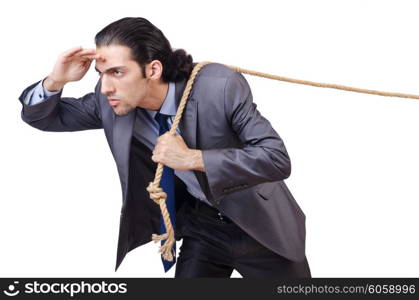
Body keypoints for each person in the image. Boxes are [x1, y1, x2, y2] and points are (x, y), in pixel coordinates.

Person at [18, 17, 311, 278]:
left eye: (117, 72)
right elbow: (47, 118)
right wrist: (55, 81)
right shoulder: (112, 101)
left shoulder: (218, 87)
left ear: (153, 69)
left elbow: (275, 158)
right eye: (101, 74)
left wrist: (193, 158)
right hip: (203, 226)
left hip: (260, 224)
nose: (106, 86)